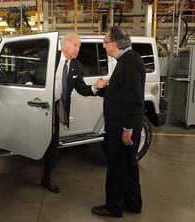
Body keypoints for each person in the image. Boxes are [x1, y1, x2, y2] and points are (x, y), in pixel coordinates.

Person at [41, 33, 108, 193]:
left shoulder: (76, 66)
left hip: (56, 107)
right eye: (75, 45)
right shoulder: (49, 58)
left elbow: (82, 89)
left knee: (53, 144)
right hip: (38, 104)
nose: (78, 49)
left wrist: (96, 87)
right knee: (35, 140)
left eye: (79, 46)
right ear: (64, 45)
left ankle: (46, 178)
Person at [92, 26, 145, 217]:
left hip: (122, 128)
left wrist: (127, 129)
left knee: (116, 168)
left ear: (114, 44)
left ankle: (114, 207)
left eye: (105, 42)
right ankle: (133, 203)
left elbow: (134, 99)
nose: (104, 46)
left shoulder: (129, 62)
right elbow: (120, 95)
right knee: (128, 166)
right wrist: (101, 88)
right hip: (122, 126)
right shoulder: (126, 61)